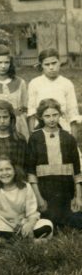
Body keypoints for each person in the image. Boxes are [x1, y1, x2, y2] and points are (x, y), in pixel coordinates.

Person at [26, 98, 82, 229]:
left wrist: (78, 197)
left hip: (66, 193)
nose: (51, 119)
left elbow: (77, 171)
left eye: (55, 115)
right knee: (50, 222)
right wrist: (39, 199)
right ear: (41, 117)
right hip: (45, 193)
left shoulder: (68, 138)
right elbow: (31, 172)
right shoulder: (35, 138)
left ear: (60, 115)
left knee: (75, 221)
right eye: (47, 116)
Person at [0, 156, 53, 243]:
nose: (4, 173)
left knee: (47, 225)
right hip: (4, 223)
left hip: (23, 223)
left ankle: (9, 240)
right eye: (0, 170)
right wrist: (14, 218)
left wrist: (29, 225)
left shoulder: (25, 186)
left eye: (8, 169)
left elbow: (32, 212)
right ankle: (29, 240)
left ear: (15, 170)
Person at [27, 48, 81, 132]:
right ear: (41, 65)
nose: (51, 67)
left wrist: (73, 140)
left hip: (63, 128)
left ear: (59, 62)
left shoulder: (67, 83)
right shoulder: (34, 83)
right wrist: (32, 135)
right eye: (47, 64)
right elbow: (31, 111)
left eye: (54, 63)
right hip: (41, 129)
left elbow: (72, 112)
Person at [0, 100, 27, 171]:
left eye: (5, 117)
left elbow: (23, 166)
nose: (2, 121)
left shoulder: (19, 139)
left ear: (11, 118)